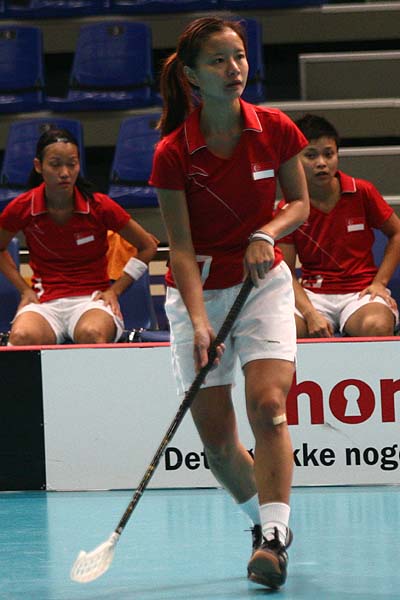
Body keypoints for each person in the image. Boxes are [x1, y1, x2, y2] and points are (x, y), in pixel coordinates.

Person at [149, 17, 309, 590]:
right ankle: (262, 525)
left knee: (269, 406)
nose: (234, 68)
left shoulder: (275, 128)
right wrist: (199, 323)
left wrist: (267, 233)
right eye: (218, 60)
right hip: (198, 292)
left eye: (238, 56)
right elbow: (180, 249)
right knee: (217, 444)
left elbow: (299, 204)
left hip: (261, 283)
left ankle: (275, 537)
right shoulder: (173, 153)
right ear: (193, 75)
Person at [0, 128, 158, 345]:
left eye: (72, 164)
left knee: (91, 333)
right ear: (38, 166)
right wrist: (24, 290)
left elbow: (148, 246)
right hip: (44, 303)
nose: (65, 172)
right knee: (21, 337)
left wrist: (115, 290)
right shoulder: (23, 207)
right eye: (55, 165)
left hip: (92, 301)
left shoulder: (100, 206)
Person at [276, 113, 400, 338]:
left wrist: (380, 283)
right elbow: (286, 272)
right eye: (311, 155)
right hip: (312, 294)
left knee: (377, 326)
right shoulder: (289, 208)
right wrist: (310, 313)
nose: (321, 163)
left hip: (360, 293)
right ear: (295, 159)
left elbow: (397, 232)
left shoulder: (361, 191)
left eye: (328, 154)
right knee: (283, 331)